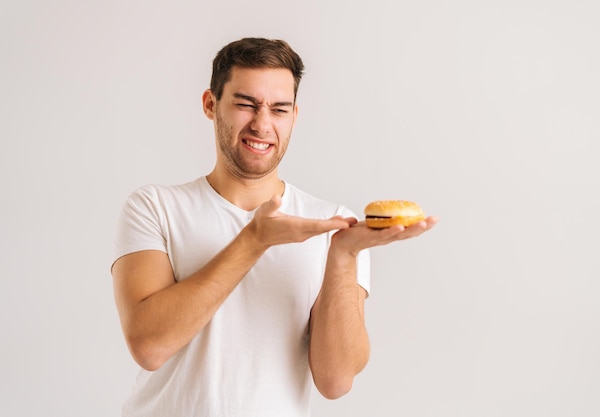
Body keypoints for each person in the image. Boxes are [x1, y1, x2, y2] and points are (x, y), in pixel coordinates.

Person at [111, 37, 437, 417]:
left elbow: (335, 381)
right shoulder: (154, 207)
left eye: (279, 109)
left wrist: (345, 252)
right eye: (246, 104)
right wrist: (254, 240)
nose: (262, 124)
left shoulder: (331, 224)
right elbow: (149, 346)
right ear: (210, 104)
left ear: (294, 116)